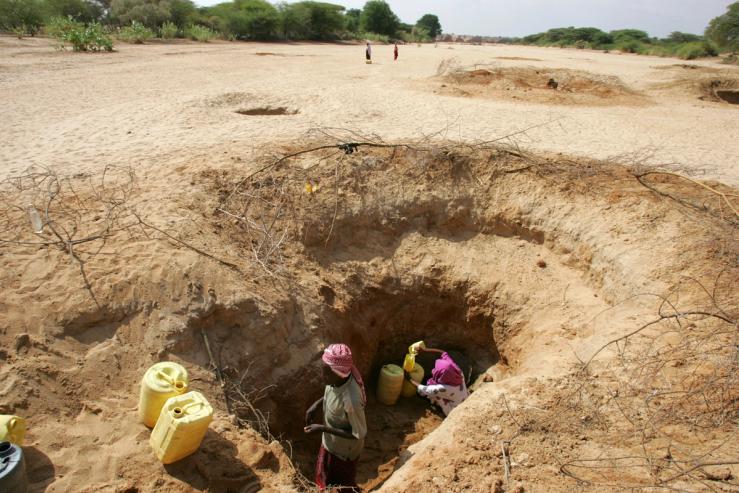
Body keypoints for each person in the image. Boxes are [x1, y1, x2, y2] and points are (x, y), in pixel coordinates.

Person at [304, 343, 367, 491]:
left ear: (338, 373)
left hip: (343, 453)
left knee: (341, 486)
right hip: (330, 444)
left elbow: (357, 434)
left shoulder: (351, 400)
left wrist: (323, 428)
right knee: (325, 478)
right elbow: (332, 391)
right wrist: (317, 404)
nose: (322, 376)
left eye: (326, 373)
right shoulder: (336, 381)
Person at [404, 346, 469, 416]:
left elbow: (424, 389)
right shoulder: (458, 372)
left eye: (436, 370)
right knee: (436, 388)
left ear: (442, 375)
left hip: (455, 411)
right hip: (465, 399)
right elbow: (444, 353)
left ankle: (439, 406)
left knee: (432, 394)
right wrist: (426, 350)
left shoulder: (443, 388)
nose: (433, 370)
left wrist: (409, 378)